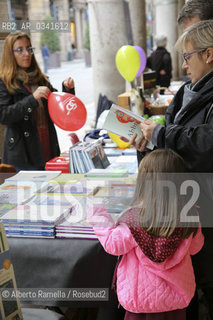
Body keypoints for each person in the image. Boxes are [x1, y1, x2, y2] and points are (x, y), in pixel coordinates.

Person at [131, 20, 213, 320]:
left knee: (206, 278)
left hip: (205, 203)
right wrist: (149, 143)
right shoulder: (188, 90)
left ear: (209, 54)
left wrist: (161, 136)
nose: (183, 64)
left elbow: (206, 143)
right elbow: (172, 131)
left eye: (187, 56)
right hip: (183, 201)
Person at [87, 148, 204, 320]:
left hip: (139, 302)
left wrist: (97, 212)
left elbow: (113, 244)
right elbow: (195, 247)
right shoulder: (190, 216)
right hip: (177, 299)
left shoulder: (134, 220)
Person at [0, 32, 75, 171]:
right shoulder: (4, 81)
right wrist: (32, 99)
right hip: (23, 154)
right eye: (20, 50)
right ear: (11, 54)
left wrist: (67, 90)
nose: (26, 53)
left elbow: (58, 108)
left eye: (29, 48)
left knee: (50, 190)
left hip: (47, 145)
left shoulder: (40, 78)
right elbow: (4, 115)